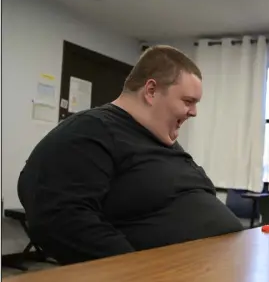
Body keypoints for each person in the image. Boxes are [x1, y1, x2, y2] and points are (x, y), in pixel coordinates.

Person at [18, 45, 244, 265]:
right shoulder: (89, 131)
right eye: (188, 101)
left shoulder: (162, 138)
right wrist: (133, 273)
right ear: (151, 91)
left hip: (217, 274)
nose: (194, 112)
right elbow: (59, 218)